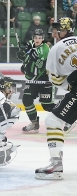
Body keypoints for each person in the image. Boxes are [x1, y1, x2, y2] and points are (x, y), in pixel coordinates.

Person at [35, 17, 77, 180]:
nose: (54, 32)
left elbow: (56, 80)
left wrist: (71, 86)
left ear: (66, 31)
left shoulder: (56, 48)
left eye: (57, 29)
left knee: (53, 121)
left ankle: (56, 164)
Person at [17, 29, 55, 133]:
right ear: (33, 38)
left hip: (44, 78)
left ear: (43, 39)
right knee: (27, 99)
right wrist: (22, 58)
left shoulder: (45, 49)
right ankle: (34, 123)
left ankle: (67, 117)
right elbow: (26, 60)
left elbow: (41, 66)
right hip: (33, 80)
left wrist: (33, 58)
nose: (37, 39)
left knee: (47, 106)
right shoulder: (30, 45)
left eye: (39, 38)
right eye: (35, 37)